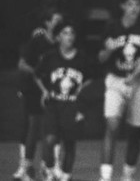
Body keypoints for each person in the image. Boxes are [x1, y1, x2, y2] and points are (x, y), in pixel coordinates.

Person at [98, 0, 140, 181]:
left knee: (135, 132)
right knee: (111, 126)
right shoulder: (112, 26)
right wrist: (109, 50)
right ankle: (105, 176)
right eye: (130, 4)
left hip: (138, 83)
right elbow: (101, 58)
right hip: (115, 80)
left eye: (137, 4)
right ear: (122, 6)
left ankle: (127, 175)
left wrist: (138, 74)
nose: (134, 8)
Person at [34, 20, 92, 181]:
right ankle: (51, 169)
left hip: (72, 106)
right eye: (65, 33)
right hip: (54, 104)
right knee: (49, 139)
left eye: (72, 33)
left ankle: (66, 176)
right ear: (58, 37)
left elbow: (91, 78)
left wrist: (81, 91)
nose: (69, 36)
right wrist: (44, 91)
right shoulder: (50, 57)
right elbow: (37, 75)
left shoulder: (81, 58)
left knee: (69, 143)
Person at [14, 8, 63, 181]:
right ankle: (25, 167)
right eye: (56, 19)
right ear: (47, 22)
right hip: (34, 90)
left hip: (54, 91)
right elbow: (23, 64)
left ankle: (50, 166)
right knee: (33, 128)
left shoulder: (61, 43)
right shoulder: (37, 41)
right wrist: (37, 73)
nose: (59, 22)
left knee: (53, 130)